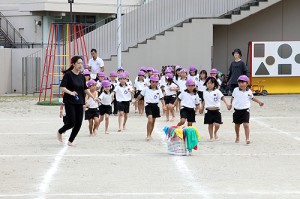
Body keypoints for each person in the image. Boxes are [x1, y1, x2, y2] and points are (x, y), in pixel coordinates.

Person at [57, 56, 99, 146]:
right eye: (78, 63)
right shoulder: (68, 75)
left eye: (81, 63)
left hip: (80, 102)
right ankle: (60, 131)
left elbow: (85, 89)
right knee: (72, 122)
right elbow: (62, 87)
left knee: (79, 123)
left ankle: (70, 141)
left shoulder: (81, 76)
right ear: (73, 64)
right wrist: (71, 93)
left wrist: (93, 97)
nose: (80, 65)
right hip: (69, 101)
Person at [229, 75, 264, 144]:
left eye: (242, 82)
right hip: (237, 110)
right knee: (237, 125)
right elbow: (232, 97)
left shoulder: (249, 91)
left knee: (246, 124)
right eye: (239, 83)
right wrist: (230, 104)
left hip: (245, 110)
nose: (241, 84)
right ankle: (237, 136)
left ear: (247, 83)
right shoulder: (235, 90)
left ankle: (247, 138)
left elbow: (252, 98)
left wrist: (259, 102)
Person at [200, 76, 231, 142]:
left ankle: (215, 132)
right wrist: (202, 107)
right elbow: (204, 100)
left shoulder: (217, 91)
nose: (209, 85)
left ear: (215, 84)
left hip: (216, 110)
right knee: (210, 124)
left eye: (211, 83)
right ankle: (211, 136)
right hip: (208, 110)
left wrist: (227, 104)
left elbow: (223, 98)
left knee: (217, 124)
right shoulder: (204, 92)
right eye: (208, 83)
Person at [136, 75, 165, 141]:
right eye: (153, 82)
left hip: (155, 106)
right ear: (150, 82)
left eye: (156, 82)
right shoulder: (146, 89)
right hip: (148, 106)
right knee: (150, 120)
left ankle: (150, 134)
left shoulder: (159, 90)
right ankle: (148, 134)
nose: (154, 83)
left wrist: (164, 105)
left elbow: (162, 98)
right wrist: (136, 100)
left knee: (153, 121)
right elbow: (140, 95)